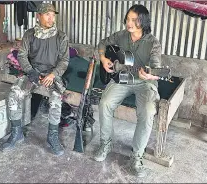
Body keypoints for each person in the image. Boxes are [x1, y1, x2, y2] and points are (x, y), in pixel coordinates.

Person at [93, 4, 161, 177]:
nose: (129, 23)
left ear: (143, 22)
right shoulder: (121, 36)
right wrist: (103, 58)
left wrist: (151, 75)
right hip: (122, 78)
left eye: (134, 20)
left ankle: (137, 157)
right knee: (105, 103)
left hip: (144, 83)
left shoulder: (153, 43)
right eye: (128, 19)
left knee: (147, 111)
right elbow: (102, 43)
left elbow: (155, 68)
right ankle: (106, 143)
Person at [1, 3, 69, 156]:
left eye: (53, 15)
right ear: (38, 16)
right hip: (33, 72)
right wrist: (30, 71)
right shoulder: (30, 34)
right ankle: (16, 131)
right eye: (47, 15)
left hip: (52, 74)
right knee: (14, 94)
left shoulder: (61, 36)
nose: (51, 18)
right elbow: (22, 55)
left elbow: (64, 61)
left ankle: (52, 136)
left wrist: (53, 74)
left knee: (56, 99)